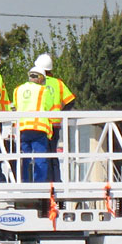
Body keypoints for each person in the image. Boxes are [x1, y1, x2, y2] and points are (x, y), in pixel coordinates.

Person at [35, 53, 76, 182]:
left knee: (43, 154)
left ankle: (45, 181)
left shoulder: (37, 83)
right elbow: (70, 101)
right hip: (55, 124)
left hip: (42, 124)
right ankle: (56, 180)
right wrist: (61, 114)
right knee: (53, 153)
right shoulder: (58, 83)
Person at [12, 67, 52, 182]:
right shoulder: (43, 90)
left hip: (22, 129)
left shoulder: (17, 90)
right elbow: (49, 106)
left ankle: (25, 182)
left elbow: (16, 106)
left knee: (25, 158)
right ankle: (39, 183)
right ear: (40, 78)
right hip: (38, 127)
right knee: (40, 158)